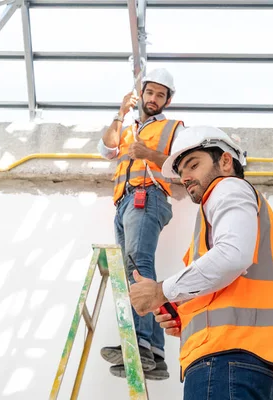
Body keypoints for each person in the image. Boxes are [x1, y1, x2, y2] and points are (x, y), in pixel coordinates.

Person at [129, 126, 273, 399]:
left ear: (225, 160)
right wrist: (185, 317)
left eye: (193, 165)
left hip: (227, 361)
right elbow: (226, 280)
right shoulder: (226, 205)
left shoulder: (227, 188)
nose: (185, 178)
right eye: (182, 172)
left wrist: (160, 291)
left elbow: (232, 256)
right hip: (256, 362)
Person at [97, 68, 184, 381]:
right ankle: (156, 355)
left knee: (138, 267)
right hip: (124, 201)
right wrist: (120, 114)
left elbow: (180, 166)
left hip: (147, 196)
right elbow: (106, 149)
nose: (154, 99)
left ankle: (138, 342)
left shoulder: (174, 128)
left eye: (161, 95)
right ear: (142, 94)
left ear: (167, 100)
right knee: (136, 268)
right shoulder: (127, 126)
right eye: (150, 93)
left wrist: (148, 153)